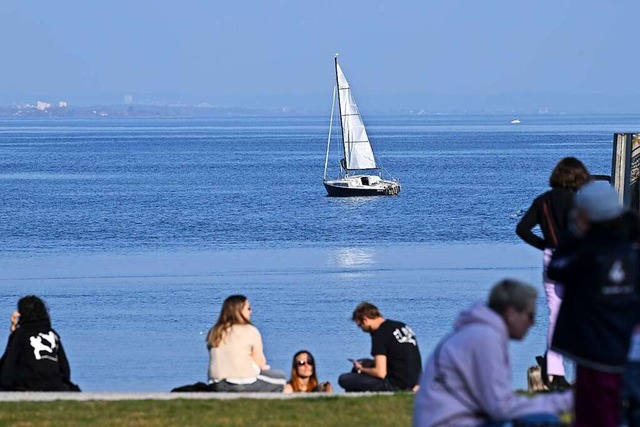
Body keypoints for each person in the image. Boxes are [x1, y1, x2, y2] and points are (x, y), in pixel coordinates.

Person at [413, 279, 572, 427]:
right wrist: (567, 401)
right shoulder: (485, 338)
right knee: (547, 421)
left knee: (544, 419)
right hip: (451, 422)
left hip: (450, 419)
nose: (533, 323)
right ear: (511, 314)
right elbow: (501, 407)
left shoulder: (478, 332)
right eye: (530, 315)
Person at [547, 181, 640, 427]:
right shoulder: (631, 250)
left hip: (594, 349)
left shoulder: (588, 253)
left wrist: (573, 234)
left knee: (594, 414)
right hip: (627, 347)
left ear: (586, 215)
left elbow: (556, 270)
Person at [515, 156, 591, 390]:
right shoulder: (579, 204)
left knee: (555, 317)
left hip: (552, 260)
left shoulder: (543, 201)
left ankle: (555, 374)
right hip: (575, 261)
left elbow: (522, 229)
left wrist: (545, 245)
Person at [0, 295, 80, 391]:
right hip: (55, 384)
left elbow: (8, 366)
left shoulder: (21, 334)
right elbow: (64, 367)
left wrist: (14, 332)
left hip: (29, 384)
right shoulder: (52, 334)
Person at [206, 295, 286, 392]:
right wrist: (262, 367)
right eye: (248, 308)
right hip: (243, 382)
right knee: (281, 379)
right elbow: (260, 361)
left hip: (216, 383)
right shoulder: (250, 330)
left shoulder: (215, 331)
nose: (250, 311)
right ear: (239, 311)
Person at [338, 302, 422, 392]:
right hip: (416, 381)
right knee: (364, 362)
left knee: (344, 379)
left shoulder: (380, 334)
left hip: (396, 385)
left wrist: (361, 369)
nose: (361, 329)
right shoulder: (402, 326)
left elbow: (380, 373)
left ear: (365, 320)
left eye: (360, 325)